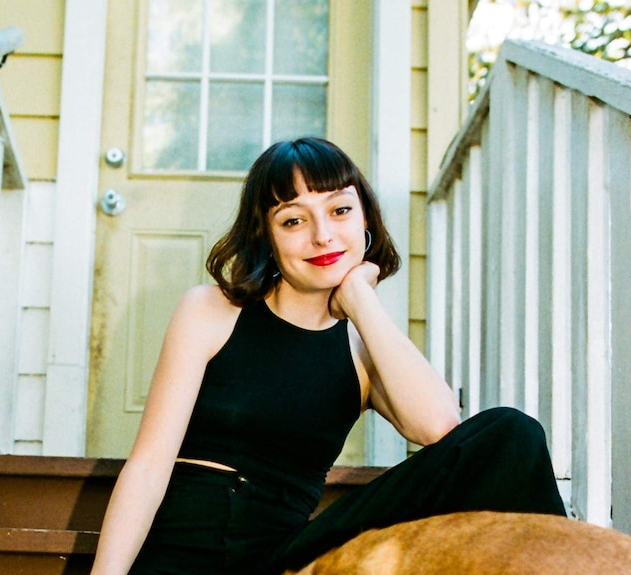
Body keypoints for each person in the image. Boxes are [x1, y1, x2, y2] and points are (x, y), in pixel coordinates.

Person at [90, 137, 566, 575]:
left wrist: (361, 301)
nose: (322, 236)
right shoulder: (213, 310)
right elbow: (150, 465)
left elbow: (439, 428)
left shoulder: (363, 347)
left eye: (339, 210)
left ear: (365, 220)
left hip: (288, 558)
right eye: (294, 220)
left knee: (512, 434)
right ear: (267, 237)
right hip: (182, 553)